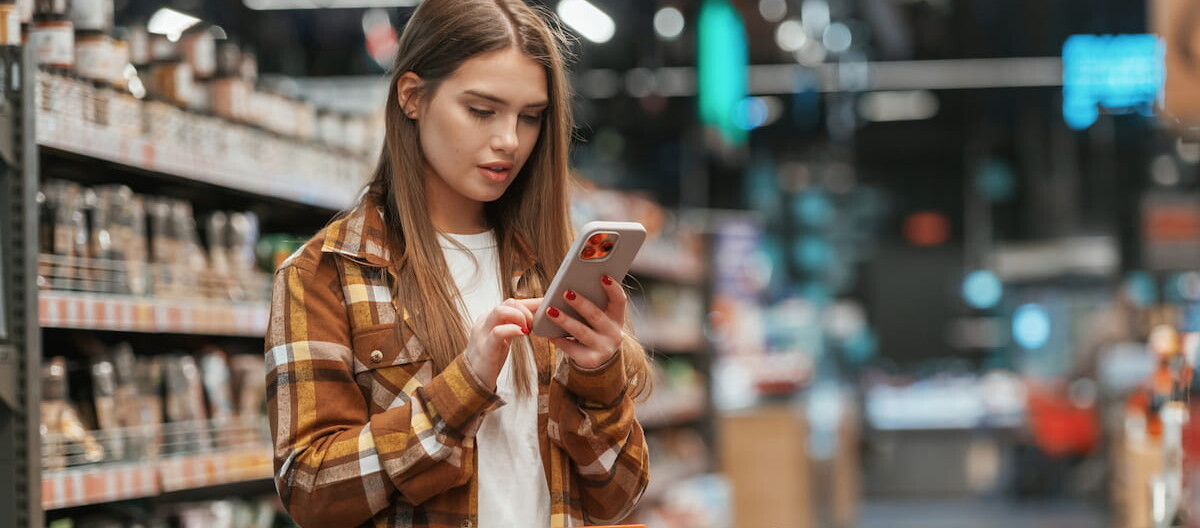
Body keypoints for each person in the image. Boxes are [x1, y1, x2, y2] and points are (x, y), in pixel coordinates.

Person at [264, 1, 652, 527]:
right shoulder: (326, 275)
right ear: (412, 97)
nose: (509, 141)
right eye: (481, 110)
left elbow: (619, 497)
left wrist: (599, 376)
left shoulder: (548, 269)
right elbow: (310, 492)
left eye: (530, 117)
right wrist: (462, 386)